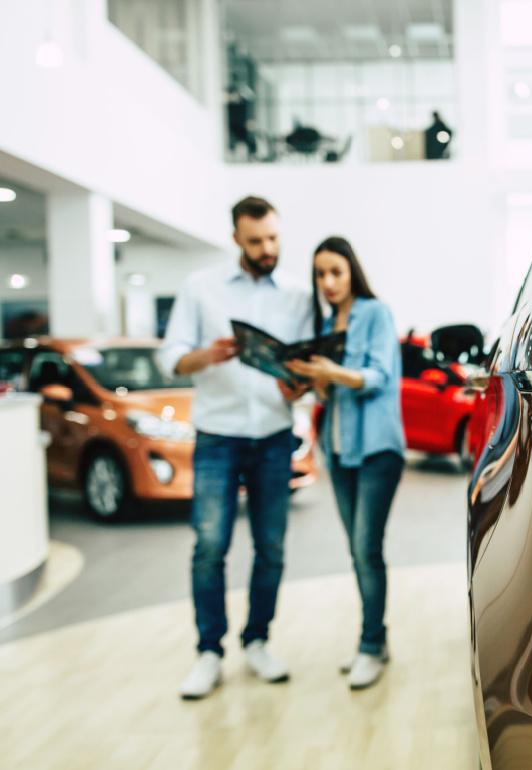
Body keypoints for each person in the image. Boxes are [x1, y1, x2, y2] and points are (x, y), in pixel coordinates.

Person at [158, 196, 313, 700]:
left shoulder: (297, 294)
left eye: (273, 239)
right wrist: (205, 355)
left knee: (270, 548)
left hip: (272, 434)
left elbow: (307, 366)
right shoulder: (200, 288)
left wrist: (300, 385)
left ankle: (258, 640)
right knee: (209, 547)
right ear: (236, 240)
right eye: (255, 242)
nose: (267, 249)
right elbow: (170, 358)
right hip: (217, 435)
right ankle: (209, 651)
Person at [286, 236, 405, 690]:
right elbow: (328, 394)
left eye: (336, 271)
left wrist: (329, 372)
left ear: (351, 270)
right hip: (338, 451)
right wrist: (306, 381)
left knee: (365, 549)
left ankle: (371, 645)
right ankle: (376, 639)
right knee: (358, 552)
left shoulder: (375, 313)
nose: (328, 282)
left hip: (377, 449)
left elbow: (378, 377)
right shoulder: (323, 323)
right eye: (320, 274)